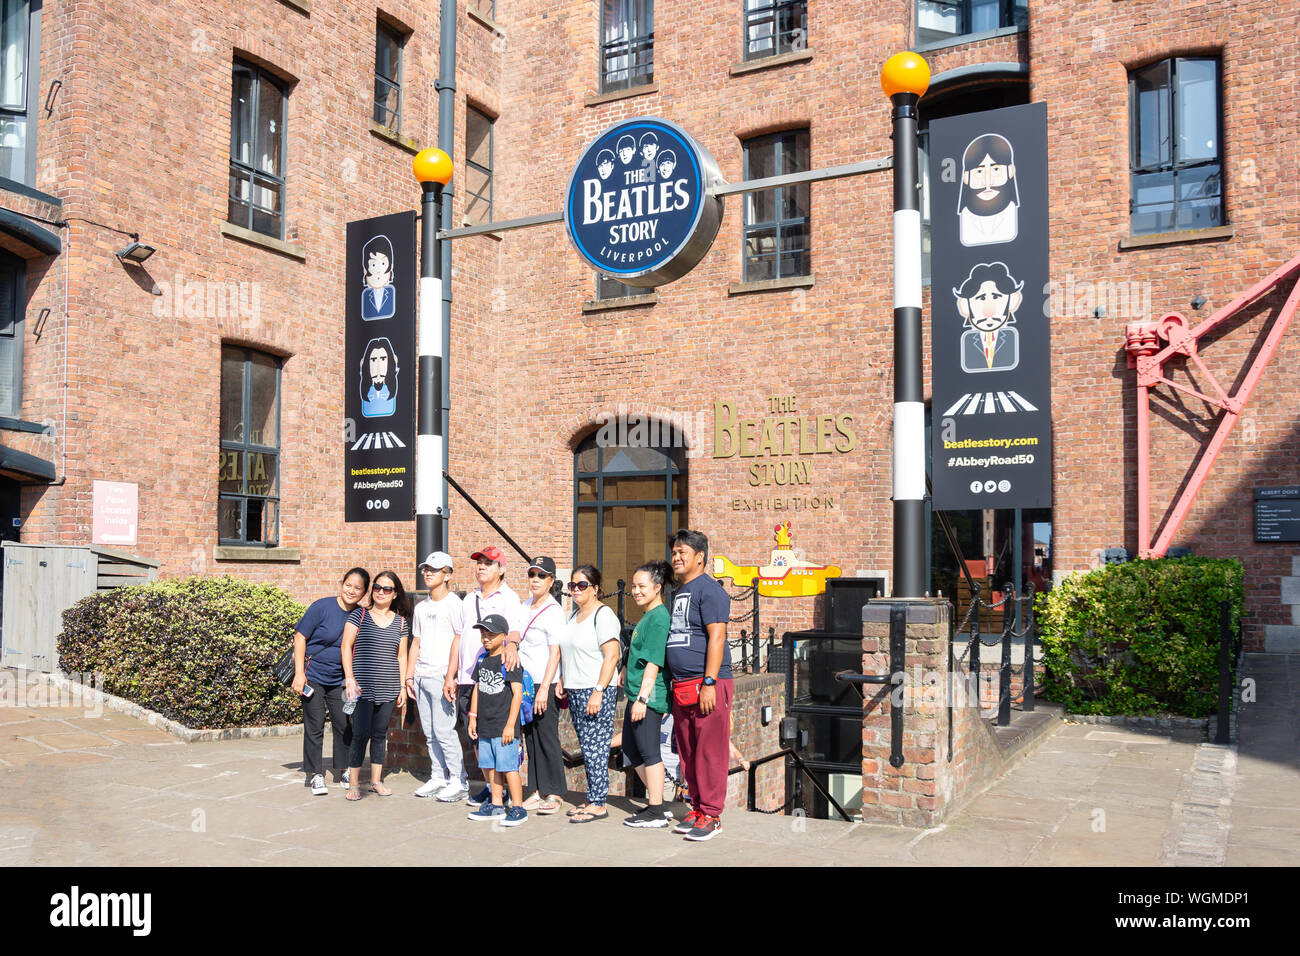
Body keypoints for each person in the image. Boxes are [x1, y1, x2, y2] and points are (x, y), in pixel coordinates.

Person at [665, 529, 733, 841]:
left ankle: (712, 814)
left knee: (710, 752)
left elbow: (716, 636)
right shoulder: (680, 591)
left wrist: (709, 682)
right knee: (688, 751)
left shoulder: (711, 591)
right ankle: (696, 807)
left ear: (700, 557)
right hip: (681, 685)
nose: (676, 557)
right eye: (674, 552)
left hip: (707, 684)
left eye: (682, 553)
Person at [442, 545, 523, 805]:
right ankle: (492, 789)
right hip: (467, 679)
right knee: (477, 738)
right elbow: (458, 637)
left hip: (493, 680)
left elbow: (514, 632)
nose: (481, 566)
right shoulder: (469, 598)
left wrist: (511, 646)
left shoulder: (509, 597)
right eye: (479, 562)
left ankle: (504, 793)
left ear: (501, 569)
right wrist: (450, 675)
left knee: (498, 739)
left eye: (488, 562)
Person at [292, 567, 369, 795]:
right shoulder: (322, 607)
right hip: (313, 676)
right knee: (314, 725)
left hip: (340, 680)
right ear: (341, 583)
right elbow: (300, 637)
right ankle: (315, 774)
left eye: (358, 588)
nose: (351, 591)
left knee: (345, 725)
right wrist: (299, 673)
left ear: (364, 592)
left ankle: (343, 769)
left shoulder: (361, 615)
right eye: (348, 585)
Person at [556, 564, 621, 823]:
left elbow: (612, 655)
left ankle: (598, 803)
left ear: (595, 589)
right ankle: (592, 796)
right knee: (587, 744)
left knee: (596, 746)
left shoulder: (603, 615)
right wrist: (562, 678)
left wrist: (598, 691)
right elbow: (568, 651)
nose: (575, 590)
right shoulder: (574, 616)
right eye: (573, 585)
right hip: (575, 688)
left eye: (582, 585)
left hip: (596, 689)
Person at [342, 570, 411, 801]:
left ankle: (375, 782)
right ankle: (353, 784)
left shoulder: (401, 622)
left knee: (380, 735)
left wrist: (402, 686)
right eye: (377, 588)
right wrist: (349, 678)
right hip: (362, 688)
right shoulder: (359, 616)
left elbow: (402, 656)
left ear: (395, 594)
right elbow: (345, 647)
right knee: (360, 735)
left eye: (387, 589)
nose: (381, 592)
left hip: (389, 687)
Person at [405, 552, 465, 800]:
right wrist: (409, 676)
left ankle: (458, 781)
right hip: (421, 676)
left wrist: (451, 676)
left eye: (435, 569)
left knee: (445, 732)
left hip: (442, 677)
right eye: (426, 569)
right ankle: (438, 776)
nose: (428, 573)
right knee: (430, 733)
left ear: (448, 574)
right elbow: (415, 642)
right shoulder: (421, 607)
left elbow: (459, 641)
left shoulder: (455, 605)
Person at [621, 559, 673, 828]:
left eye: (641, 586)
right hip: (636, 693)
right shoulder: (648, 615)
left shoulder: (659, 618)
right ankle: (658, 803)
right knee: (631, 747)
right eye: (633, 586)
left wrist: (642, 699)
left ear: (657, 587)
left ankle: (655, 809)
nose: (635, 591)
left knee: (649, 751)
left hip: (648, 697)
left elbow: (654, 662)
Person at [466, 614, 528, 827]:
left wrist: (511, 725)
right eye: (483, 633)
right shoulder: (482, 659)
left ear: (503, 636)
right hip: (485, 724)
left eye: (490, 634)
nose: (485, 638)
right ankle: (496, 804)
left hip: (504, 726)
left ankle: (518, 807)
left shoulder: (510, 661)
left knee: (509, 767)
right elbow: (476, 688)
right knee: (490, 767)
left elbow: (517, 694)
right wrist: (473, 717)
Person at [517, 555, 567, 815]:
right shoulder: (524, 605)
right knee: (531, 737)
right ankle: (536, 789)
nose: (535, 580)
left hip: (542, 681)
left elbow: (555, 652)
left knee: (547, 736)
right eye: (532, 575)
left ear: (551, 581)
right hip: (525, 683)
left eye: (541, 576)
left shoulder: (554, 611)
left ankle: (555, 791)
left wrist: (546, 687)